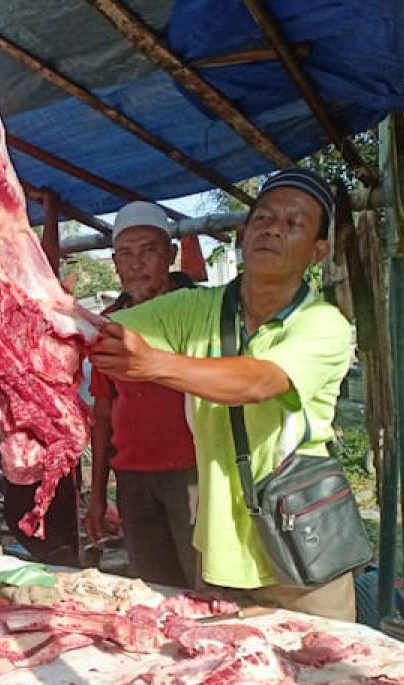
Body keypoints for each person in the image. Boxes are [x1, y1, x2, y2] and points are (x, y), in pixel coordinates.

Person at [90, 168, 355, 620]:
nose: (273, 228)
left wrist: (154, 364)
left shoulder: (323, 323)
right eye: (263, 218)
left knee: (322, 674)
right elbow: (95, 332)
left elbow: (258, 382)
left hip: (302, 545)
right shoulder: (196, 308)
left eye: (294, 224)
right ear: (242, 233)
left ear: (318, 251)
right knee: (220, 675)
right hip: (223, 551)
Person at [87, 202, 200, 588]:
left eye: (148, 250)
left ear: (169, 255)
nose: (136, 264)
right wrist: (98, 494)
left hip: (193, 476)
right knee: (153, 589)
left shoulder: (199, 311)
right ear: (115, 263)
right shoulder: (108, 325)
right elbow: (102, 414)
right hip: (133, 480)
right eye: (125, 254)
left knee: (205, 585)